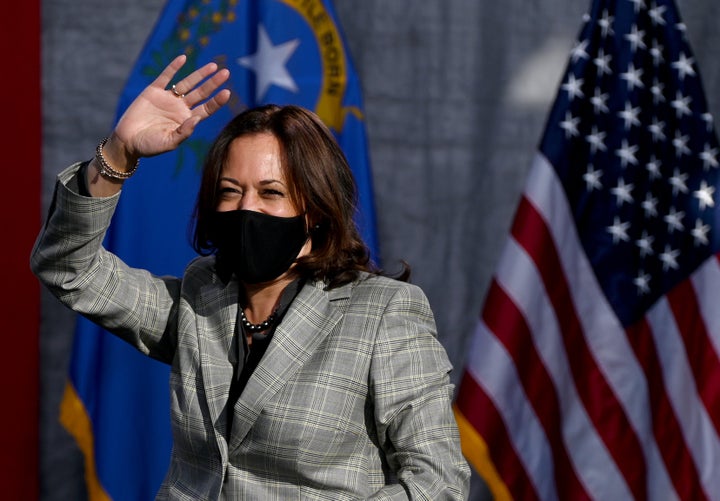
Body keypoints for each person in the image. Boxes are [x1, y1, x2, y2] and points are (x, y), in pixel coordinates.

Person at [31, 55, 470, 500]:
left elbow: (438, 483)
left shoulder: (383, 313)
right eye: (230, 191)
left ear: (314, 210)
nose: (247, 208)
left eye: (271, 192)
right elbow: (70, 268)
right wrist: (117, 154)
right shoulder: (200, 299)